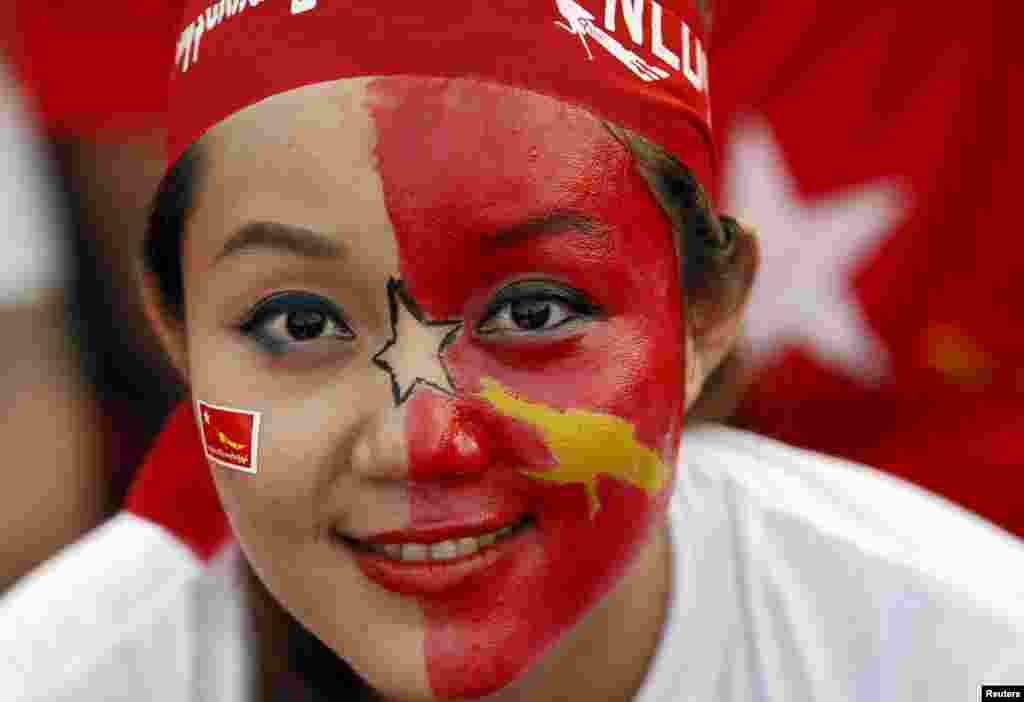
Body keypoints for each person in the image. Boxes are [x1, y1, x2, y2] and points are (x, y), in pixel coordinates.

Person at [3, 2, 1023, 701]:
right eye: (303, 325)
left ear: (707, 313)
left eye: (533, 313)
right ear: (175, 331)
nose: (422, 440)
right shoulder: (61, 674)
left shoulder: (970, 648)